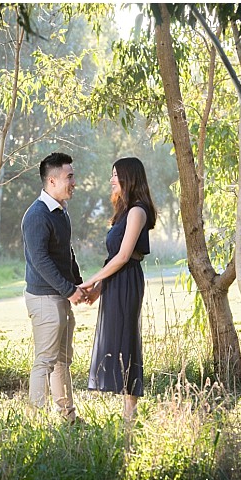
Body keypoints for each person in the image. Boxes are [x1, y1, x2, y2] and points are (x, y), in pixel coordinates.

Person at [79, 157, 156, 422]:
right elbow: (113, 259)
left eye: (115, 175)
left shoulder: (137, 211)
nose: (111, 179)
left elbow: (124, 257)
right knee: (117, 338)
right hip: (116, 281)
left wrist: (89, 281)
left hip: (128, 281)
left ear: (128, 177)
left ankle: (130, 413)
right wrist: (98, 289)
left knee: (127, 339)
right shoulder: (123, 212)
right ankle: (125, 408)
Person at [21, 152, 87, 423]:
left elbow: (65, 253)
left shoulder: (60, 212)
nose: (74, 182)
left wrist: (79, 284)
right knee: (45, 361)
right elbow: (41, 261)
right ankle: (34, 423)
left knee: (62, 360)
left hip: (59, 295)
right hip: (45, 298)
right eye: (69, 177)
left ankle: (68, 417)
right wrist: (69, 290)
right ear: (52, 180)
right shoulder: (37, 215)